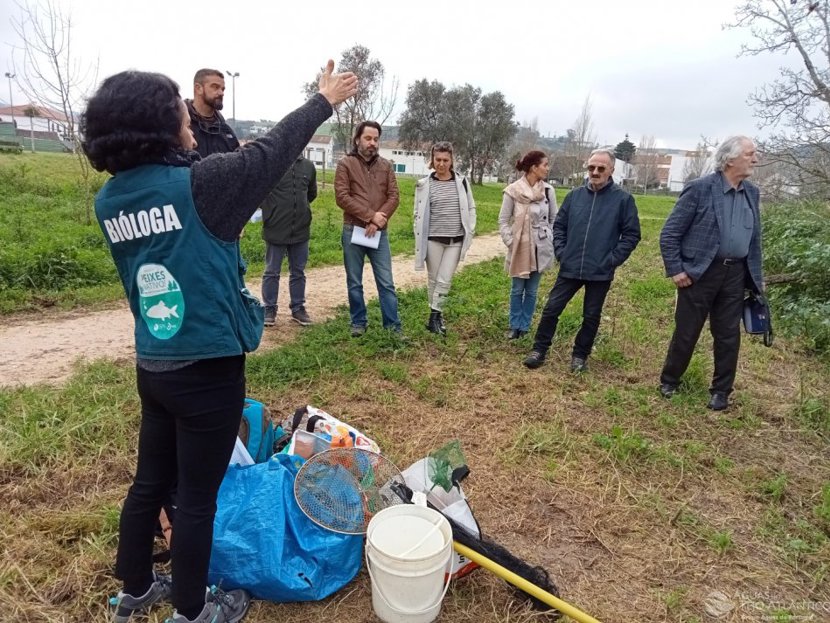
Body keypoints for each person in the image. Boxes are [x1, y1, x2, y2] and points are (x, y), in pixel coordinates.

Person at [81, 61, 356, 623]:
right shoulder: (202, 185)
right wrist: (322, 100)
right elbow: (272, 153)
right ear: (162, 126)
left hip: (154, 363)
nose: (189, 114)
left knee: (149, 481)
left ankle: (134, 590)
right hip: (207, 370)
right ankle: (192, 611)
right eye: (179, 108)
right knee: (198, 499)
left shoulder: (110, 199)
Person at [658, 136, 764, 411]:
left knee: (729, 334)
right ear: (730, 159)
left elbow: (755, 240)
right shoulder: (700, 189)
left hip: (736, 274)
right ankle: (670, 380)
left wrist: (757, 276)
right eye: (750, 154)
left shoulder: (752, 193)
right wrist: (677, 270)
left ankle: (721, 391)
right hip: (700, 272)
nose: (756, 159)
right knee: (687, 330)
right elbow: (670, 233)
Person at [523, 148, 640, 371]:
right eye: (591, 167)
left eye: (601, 168)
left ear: (611, 170)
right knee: (551, 309)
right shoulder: (574, 196)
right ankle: (539, 349)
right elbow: (560, 226)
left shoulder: (623, 200)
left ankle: (580, 356)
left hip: (600, 270)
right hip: (570, 266)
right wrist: (562, 252)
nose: (595, 172)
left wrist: (612, 259)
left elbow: (632, 234)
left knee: (591, 316)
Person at [334, 121, 401, 337]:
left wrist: (377, 221)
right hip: (353, 230)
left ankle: (392, 328)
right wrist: (370, 215)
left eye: (375, 139)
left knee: (386, 282)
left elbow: (394, 196)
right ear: (357, 140)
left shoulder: (386, 166)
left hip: (378, 233)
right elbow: (342, 197)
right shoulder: (346, 164)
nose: (372, 143)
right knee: (355, 282)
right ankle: (358, 322)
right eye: (368, 138)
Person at [413, 141, 476, 335]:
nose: (441, 164)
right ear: (432, 160)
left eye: (445, 160)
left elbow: (471, 207)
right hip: (433, 239)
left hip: (455, 240)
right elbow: (417, 211)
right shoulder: (424, 184)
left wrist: (470, 229)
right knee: (433, 279)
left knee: (445, 279)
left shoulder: (462, 182)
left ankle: (434, 316)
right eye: (437, 159)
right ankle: (435, 318)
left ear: (451, 161)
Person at [498, 150, 557, 340]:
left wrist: (549, 238)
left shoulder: (548, 191)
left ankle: (525, 326)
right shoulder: (513, 191)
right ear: (534, 167)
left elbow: (554, 219)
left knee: (531, 291)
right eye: (545, 165)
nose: (547, 169)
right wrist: (510, 242)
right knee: (517, 289)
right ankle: (514, 325)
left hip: (540, 247)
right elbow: (503, 220)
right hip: (519, 248)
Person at [260, 155, 317, 327]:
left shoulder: (308, 166)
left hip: (300, 228)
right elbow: (258, 192)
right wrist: (272, 211)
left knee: (298, 271)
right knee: (272, 271)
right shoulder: (272, 164)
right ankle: (269, 309)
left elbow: (311, 194)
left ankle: (298, 308)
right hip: (275, 226)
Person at [185, 69, 239, 158]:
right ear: (198, 88)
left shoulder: (226, 131)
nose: (221, 93)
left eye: (223, 89)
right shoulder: (179, 127)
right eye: (215, 87)